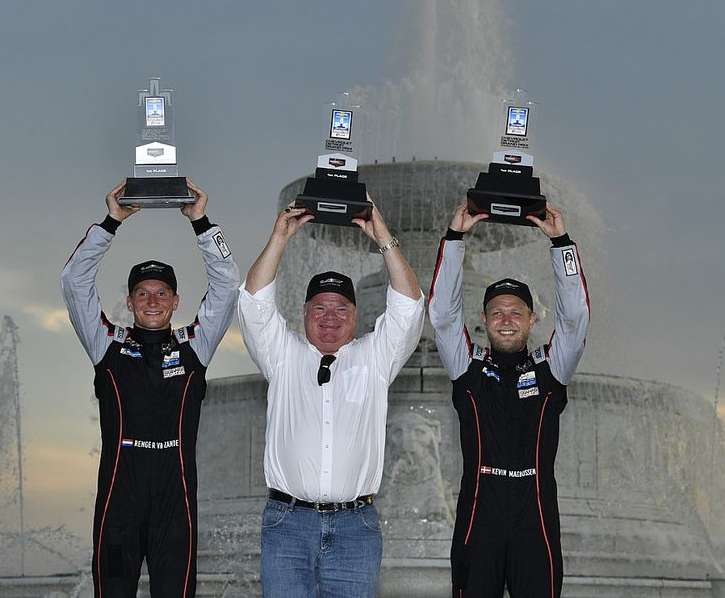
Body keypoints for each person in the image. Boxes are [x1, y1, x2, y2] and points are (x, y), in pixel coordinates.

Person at [60, 179, 239, 598]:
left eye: (162, 293)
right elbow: (74, 283)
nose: (153, 301)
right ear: (130, 300)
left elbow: (228, 286)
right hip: (119, 503)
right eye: (143, 293)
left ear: (177, 301)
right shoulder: (107, 342)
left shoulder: (196, 345)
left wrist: (201, 223)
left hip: (175, 506)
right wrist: (111, 222)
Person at [237, 203, 425, 598]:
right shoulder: (282, 356)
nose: (330, 317)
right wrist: (280, 238)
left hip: (356, 526)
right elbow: (254, 304)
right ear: (303, 313)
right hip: (287, 523)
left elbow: (408, 308)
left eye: (341, 308)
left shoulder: (375, 357)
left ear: (356, 316)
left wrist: (384, 239)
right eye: (319, 307)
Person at [428, 203, 590, 598]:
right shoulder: (467, 366)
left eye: (516, 312)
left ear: (532, 319)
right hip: (477, 518)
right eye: (497, 312)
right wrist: (454, 238)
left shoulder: (551, 369)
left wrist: (561, 244)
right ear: (483, 318)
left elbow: (575, 320)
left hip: (535, 520)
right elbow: (444, 317)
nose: (506, 319)